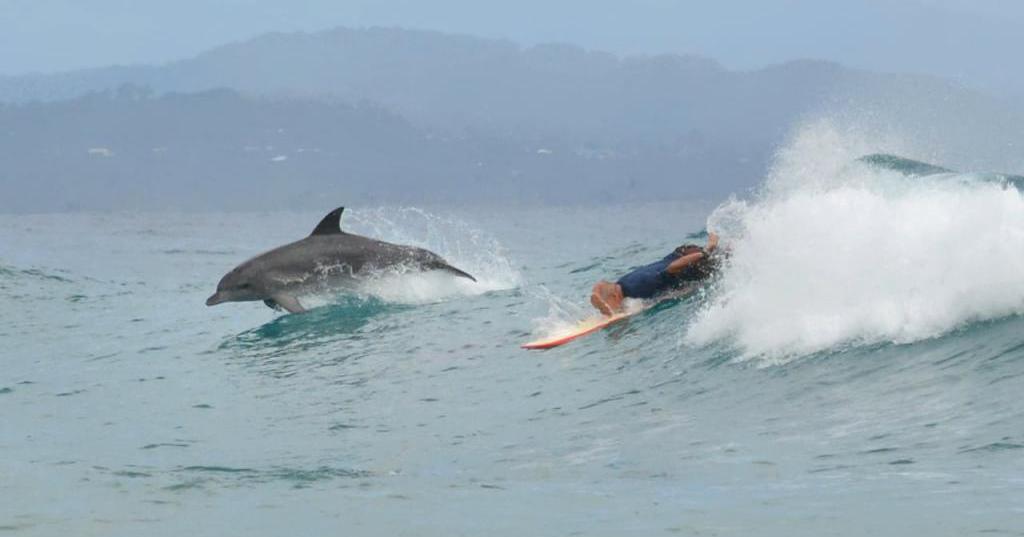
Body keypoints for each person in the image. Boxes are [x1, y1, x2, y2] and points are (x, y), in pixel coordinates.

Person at [590, 232, 720, 316]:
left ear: (615, 296)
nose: (603, 313)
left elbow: (672, 268)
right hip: (683, 252)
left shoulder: (638, 288)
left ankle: (711, 246)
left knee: (729, 259)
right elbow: (606, 286)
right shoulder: (621, 284)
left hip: (695, 264)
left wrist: (706, 251)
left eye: (603, 309)